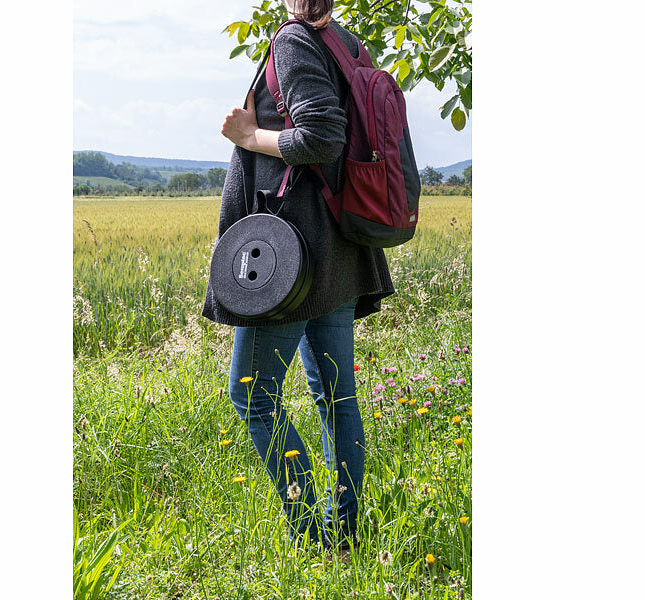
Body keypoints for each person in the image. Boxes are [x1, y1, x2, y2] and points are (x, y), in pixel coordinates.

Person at [200, 0, 395, 552]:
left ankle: (313, 535)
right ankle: (347, 531)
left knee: (254, 397)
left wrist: (248, 136)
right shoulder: (347, 43)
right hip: (335, 249)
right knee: (337, 398)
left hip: (291, 257)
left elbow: (322, 137)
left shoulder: (293, 41)